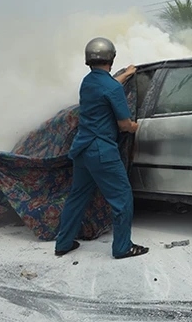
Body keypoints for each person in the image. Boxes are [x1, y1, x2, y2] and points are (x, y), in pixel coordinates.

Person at [53, 37, 148, 260]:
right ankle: (123, 247)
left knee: (77, 197)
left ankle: (63, 243)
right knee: (122, 197)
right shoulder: (113, 88)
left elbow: (106, 86)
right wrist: (135, 127)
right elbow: (124, 124)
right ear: (112, 58)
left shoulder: (87, 82)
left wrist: (124, 75)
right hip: (102, 151)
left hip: (82, 150)